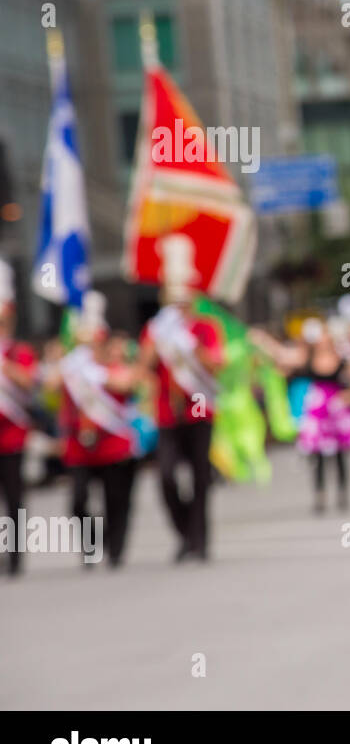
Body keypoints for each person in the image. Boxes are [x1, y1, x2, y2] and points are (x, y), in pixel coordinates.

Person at [137, 235, 223, 562]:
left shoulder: (204, 328)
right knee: (167, 477)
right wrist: (156, 341)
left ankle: (201, 541)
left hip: (199, 409)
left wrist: (190, 344)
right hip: (167, 413)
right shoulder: (156, 331)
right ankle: (185, 532)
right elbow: (143, 368)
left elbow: (215, 365)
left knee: (201, 477)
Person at [252, 318, 350, 512]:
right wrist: (263, 340)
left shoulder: (341, 357)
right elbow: (281, 355)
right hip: (317, 409)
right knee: (318, 456)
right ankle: (320, 495)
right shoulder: (306, 356)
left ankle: (342, 493)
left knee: (340, 455)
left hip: (336, 409)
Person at [56, 292, 139, 568]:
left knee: (115, 498)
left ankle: (115, 549)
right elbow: (48, 386)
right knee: (78, 500)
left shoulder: (110, 365)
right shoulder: (71, 367)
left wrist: (97, 374)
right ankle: (91, 543)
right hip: (80, 443)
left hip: (111, 441)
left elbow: (127, 384)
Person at [0, 260, 37, 576]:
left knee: (13, 498)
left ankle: (14, 555)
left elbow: (28, 383)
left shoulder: (17, 351)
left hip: (11, 436)